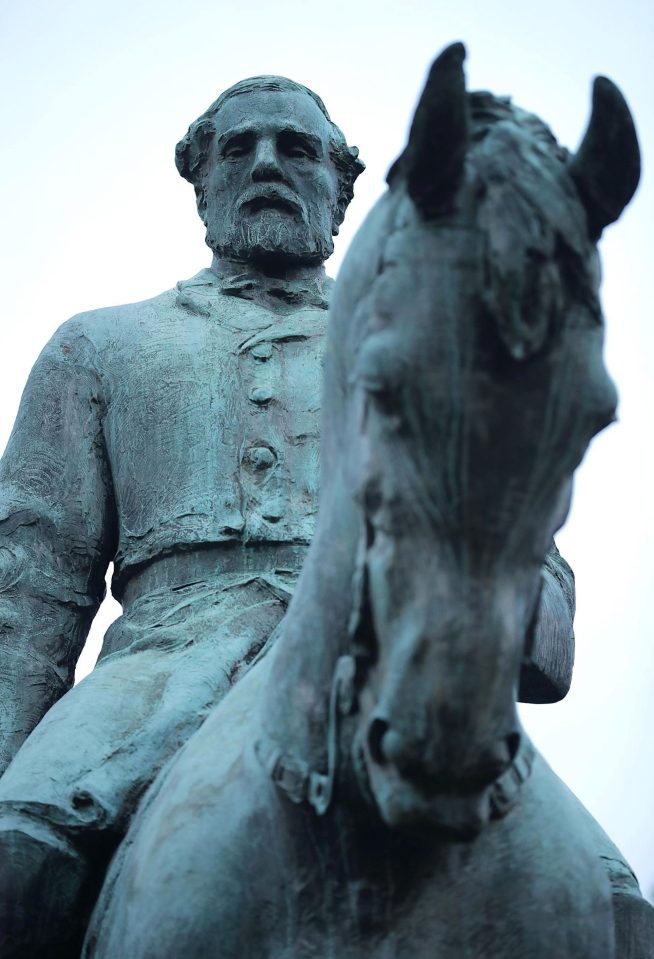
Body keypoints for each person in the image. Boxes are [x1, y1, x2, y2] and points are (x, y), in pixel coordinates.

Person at [0, 75, 578, 956]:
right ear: (199, 179)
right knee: (16, 856)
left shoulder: (430, 343)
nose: (267, 162)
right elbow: (29, 587)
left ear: (342, 188)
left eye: (297, 148)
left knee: (607, 896)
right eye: (239, 147)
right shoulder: (100, 345)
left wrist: (502, 604)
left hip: (391, 653)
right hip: (156, 670)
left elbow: (528, 541)